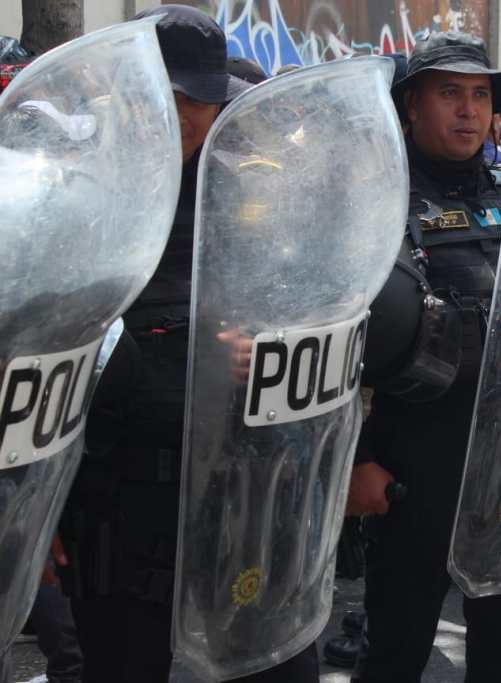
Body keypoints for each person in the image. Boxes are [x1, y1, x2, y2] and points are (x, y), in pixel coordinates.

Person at [64, 6, 319, 681]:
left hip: (248, 491)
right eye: (166, 94)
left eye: (199, 100)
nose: (184, 115)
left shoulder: (252, 195)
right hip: (122, 499)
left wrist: (270, 342)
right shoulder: (78, 198)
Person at [343, 31, 501, 683]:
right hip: (411, 463)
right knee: (396, 648)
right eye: (449, 93)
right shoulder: (376, 201)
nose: (468, 110)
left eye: (480, 95)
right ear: (410, 105)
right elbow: (343, 348)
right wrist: (358, 460)